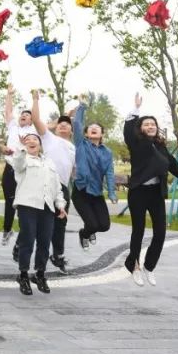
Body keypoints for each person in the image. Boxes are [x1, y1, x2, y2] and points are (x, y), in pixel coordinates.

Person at [124, 93, 178, 286]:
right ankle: (134, 265)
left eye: (153, 124)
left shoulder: (161, 146)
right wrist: (136, 109)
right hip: (138, 192)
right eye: (146, 124)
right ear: (141, 128)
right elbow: (128, 129)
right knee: (138, 231)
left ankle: (149, 267)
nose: (150, 126)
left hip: (155, 193)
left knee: (160, 232)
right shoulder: (136, 143)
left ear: (156, 128)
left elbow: (173, 166)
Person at [9, 132, 66, 295]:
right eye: (27, 140)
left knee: (44, 242)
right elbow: (17, 164)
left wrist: (60, 205)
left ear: (40, 145)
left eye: (35, 139)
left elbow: (57, 187)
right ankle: (23, 275)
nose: (31, 141)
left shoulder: (49, 162)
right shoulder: (22, 158)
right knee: (27, 240)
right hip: (27, 205)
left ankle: (40, 274)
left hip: (47, 207)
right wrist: (21, 148)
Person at [30, 90, 75, 274]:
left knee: (61, 223)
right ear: (55, 128)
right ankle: (32, 258)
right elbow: (35, 119)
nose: (63, 125)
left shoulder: (73, 147)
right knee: (41, 223)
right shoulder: (49, 138)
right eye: (60, 124)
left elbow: (72, 170)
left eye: (67, 124)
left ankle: (58, 255)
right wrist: (35, 100)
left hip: (62, 188)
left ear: (71, 130)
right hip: (45, 184)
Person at [72, 93, 117, 251]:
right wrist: (82, 107)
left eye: (97, 128)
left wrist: (111, 193)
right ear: (86, 134)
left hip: (96, 193)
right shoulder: (80, 144)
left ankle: (89, 231)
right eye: (90, 128)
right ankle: (84, 233)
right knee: (92, 224)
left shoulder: (107, 152)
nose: (93, 128)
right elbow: (77, 123)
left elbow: (109, 173)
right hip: (81, 190)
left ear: (102, 134)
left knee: (104, 226)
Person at [2, 85, 36, 245]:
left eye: (27, 115)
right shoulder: (13, 126)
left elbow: (44, 121)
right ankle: (7, 229)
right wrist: (9, 95)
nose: (24, 115)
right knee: (9, 200)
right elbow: (8, 112)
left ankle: (24, 237)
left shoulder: (34, 129)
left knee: (23, 203)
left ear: (32, 120)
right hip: (10, 167)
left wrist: (35, 100)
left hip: (25, 169)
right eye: (22, 114)